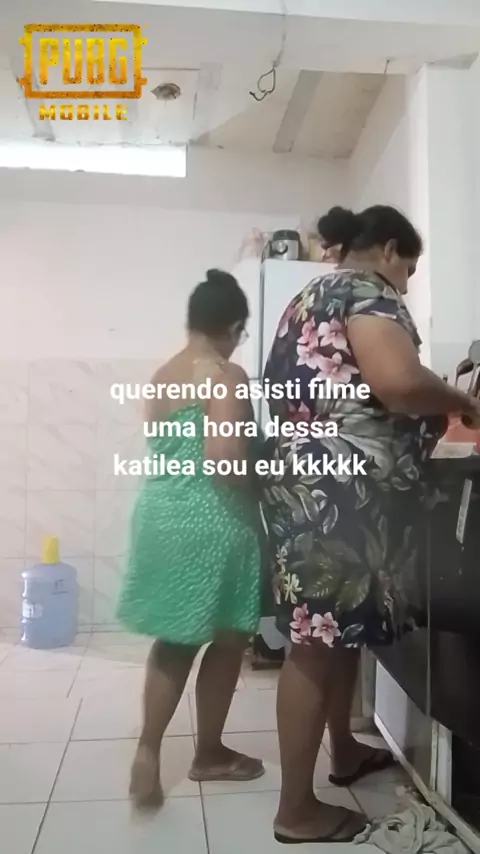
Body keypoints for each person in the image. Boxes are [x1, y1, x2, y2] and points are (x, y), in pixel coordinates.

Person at [261, 205, 480, 844]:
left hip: (317, 482)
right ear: (388, 249)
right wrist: (463, 400)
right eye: (408, 268)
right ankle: (295, 812)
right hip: (339, 491)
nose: (406, 283)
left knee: (334, 633)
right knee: (315, 641)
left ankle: (345, 750)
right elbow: (398, 383)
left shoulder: (308, 298)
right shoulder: (367, 292)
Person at [118, 269, 265, 810]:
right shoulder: (225, 375)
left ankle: (149, 749)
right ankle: (209, 753)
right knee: (228, 638)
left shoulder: (163, 375)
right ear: (233, 326)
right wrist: (267, 477)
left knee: (175, 640)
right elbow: (225, 460)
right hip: (213, 521)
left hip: (161, 515)